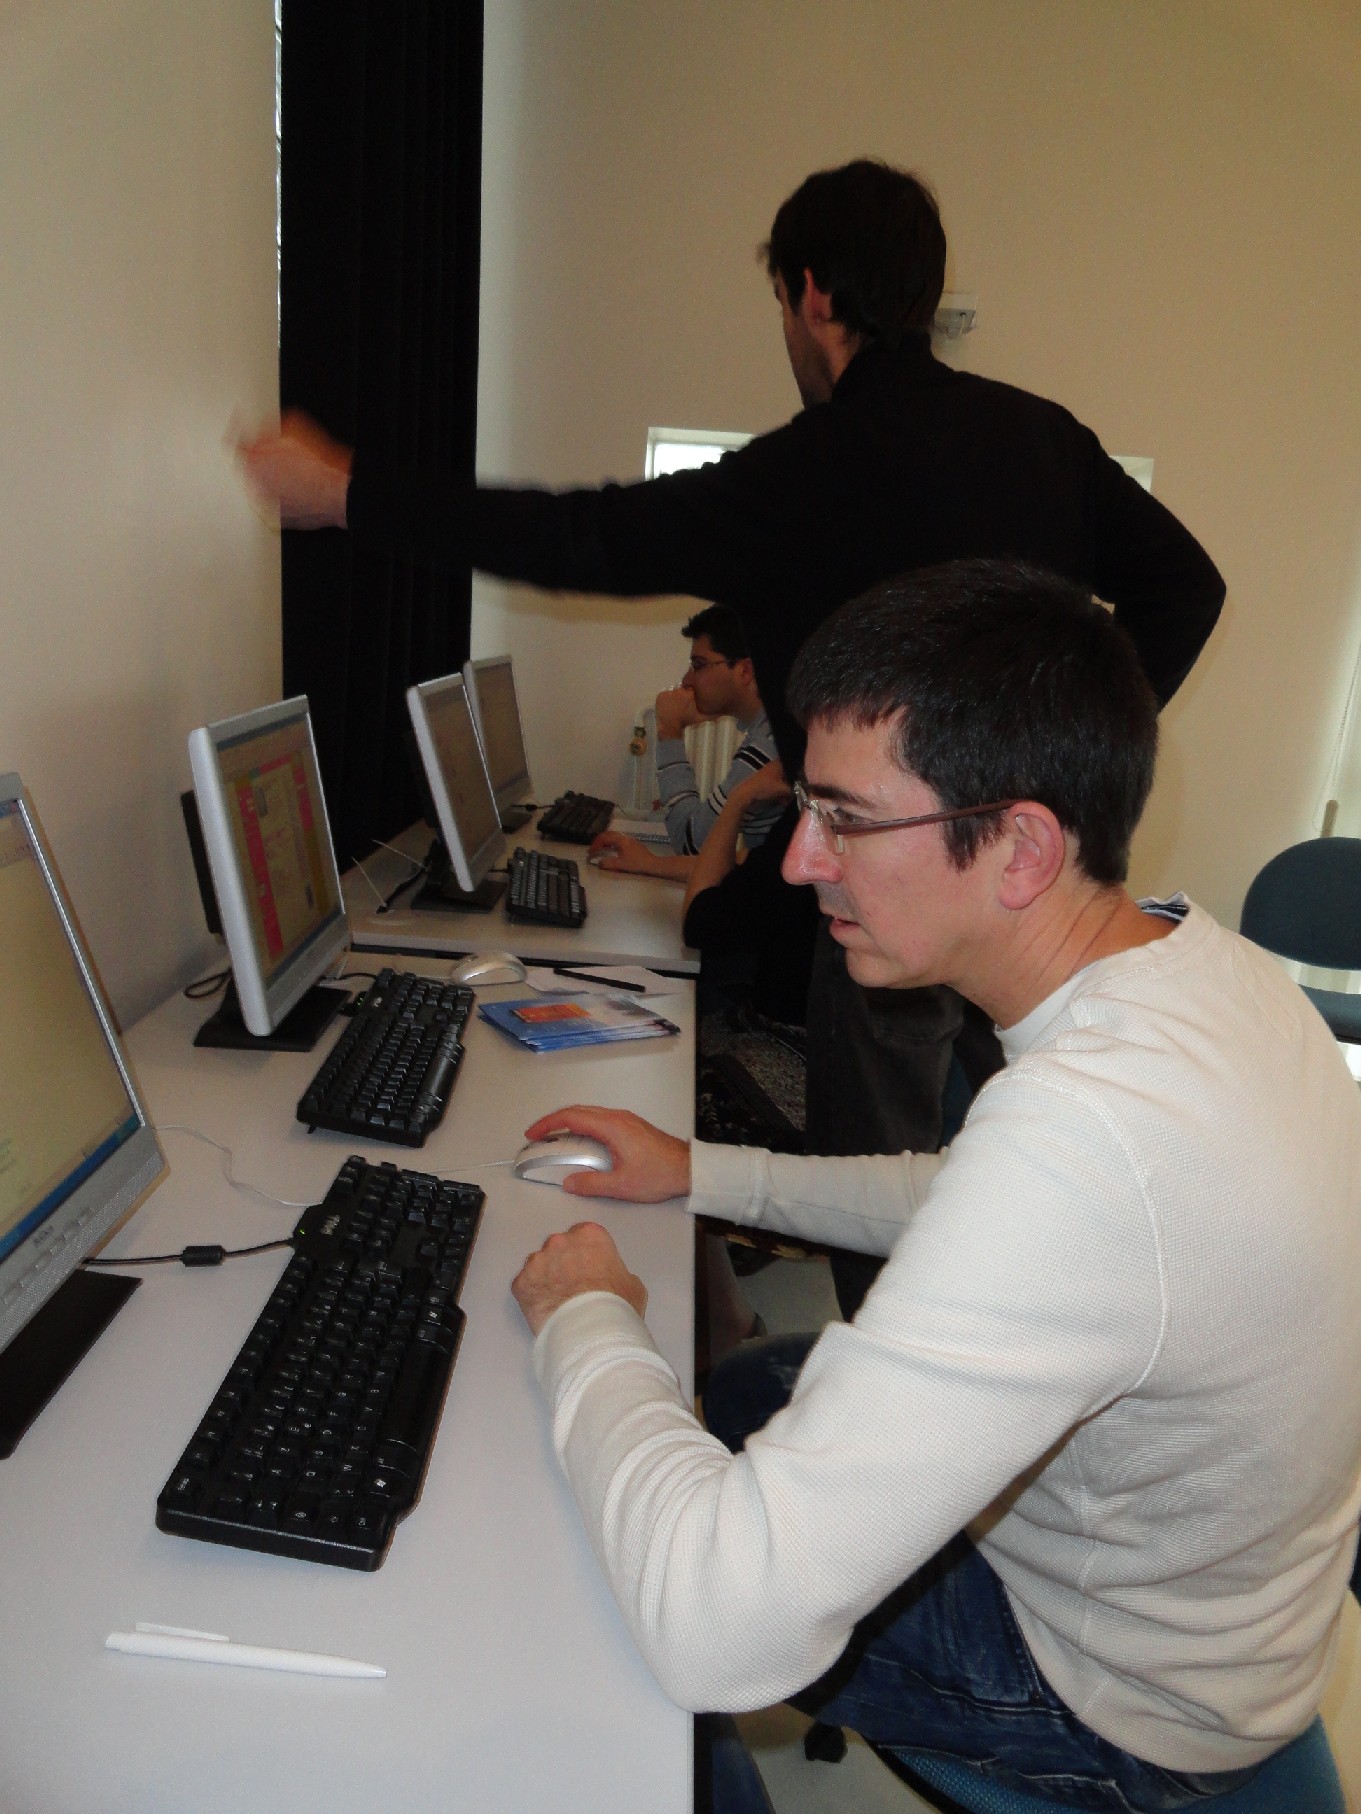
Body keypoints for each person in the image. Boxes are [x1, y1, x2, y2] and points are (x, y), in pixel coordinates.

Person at [507, 560, 1361, 1811]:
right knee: (742, 1389)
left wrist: (587, 1313)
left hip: (1120, 1708)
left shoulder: (1086, 1134)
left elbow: (712, 1626)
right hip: (1227, 1620)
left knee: (613, 1585)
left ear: (1019, 846)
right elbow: (971, 1198)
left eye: (844, 818)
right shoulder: (1206, 966)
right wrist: (704, 1172)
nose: (798, 861)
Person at [239, 156, 1226, 1213]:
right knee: (1025, 1189)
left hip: (880, 896)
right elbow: (1187, 588)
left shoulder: (807, 471)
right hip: (1028, 896)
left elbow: (582, 534)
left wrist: (348, 494)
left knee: (873, 1202)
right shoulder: (1044, 441)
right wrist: (1061, 760)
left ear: (812, 294)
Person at [589, 604, 781, 882]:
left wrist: (670, 731)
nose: (686, 680)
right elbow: (746, 857)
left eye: (699, 665)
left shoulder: (767, 746)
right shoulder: (769, 731)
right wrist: (651, 859)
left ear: (745, 671)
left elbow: (693, 843)